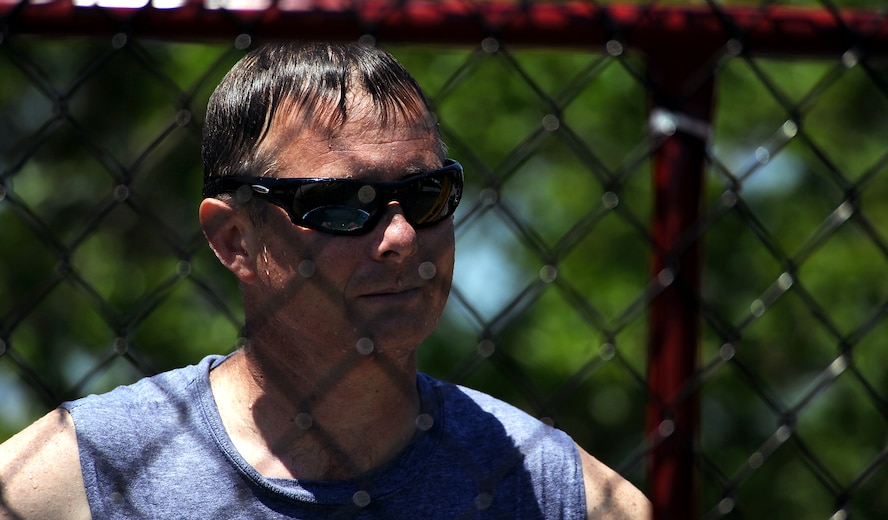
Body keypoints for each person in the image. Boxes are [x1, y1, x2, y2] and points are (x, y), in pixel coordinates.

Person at [0, 41, 650, 519]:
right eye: (344, 205)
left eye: (428, 195)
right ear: (235, 239)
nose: (401, 238)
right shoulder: (73, 482)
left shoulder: (555, 494)